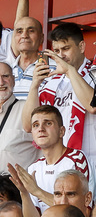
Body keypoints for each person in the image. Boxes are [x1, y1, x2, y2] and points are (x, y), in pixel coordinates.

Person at [23, 23, 96, 167]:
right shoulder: (51, 81)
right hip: (60, 163)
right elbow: (27, 126)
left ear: (81, 47)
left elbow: (92, 105)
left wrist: (69, 70)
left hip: (91, 160)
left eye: (66, 49)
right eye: (56, 50)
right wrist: (35, 85)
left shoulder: (93, 72)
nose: (61, 55)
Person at [18, 105, 91, 212]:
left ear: (62, 131)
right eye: (36, 125)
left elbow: (82, 211)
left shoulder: (77, 159)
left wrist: (37, 191)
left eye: (48, 123)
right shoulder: (34, 168)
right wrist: (24, 193)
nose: (41, 129)